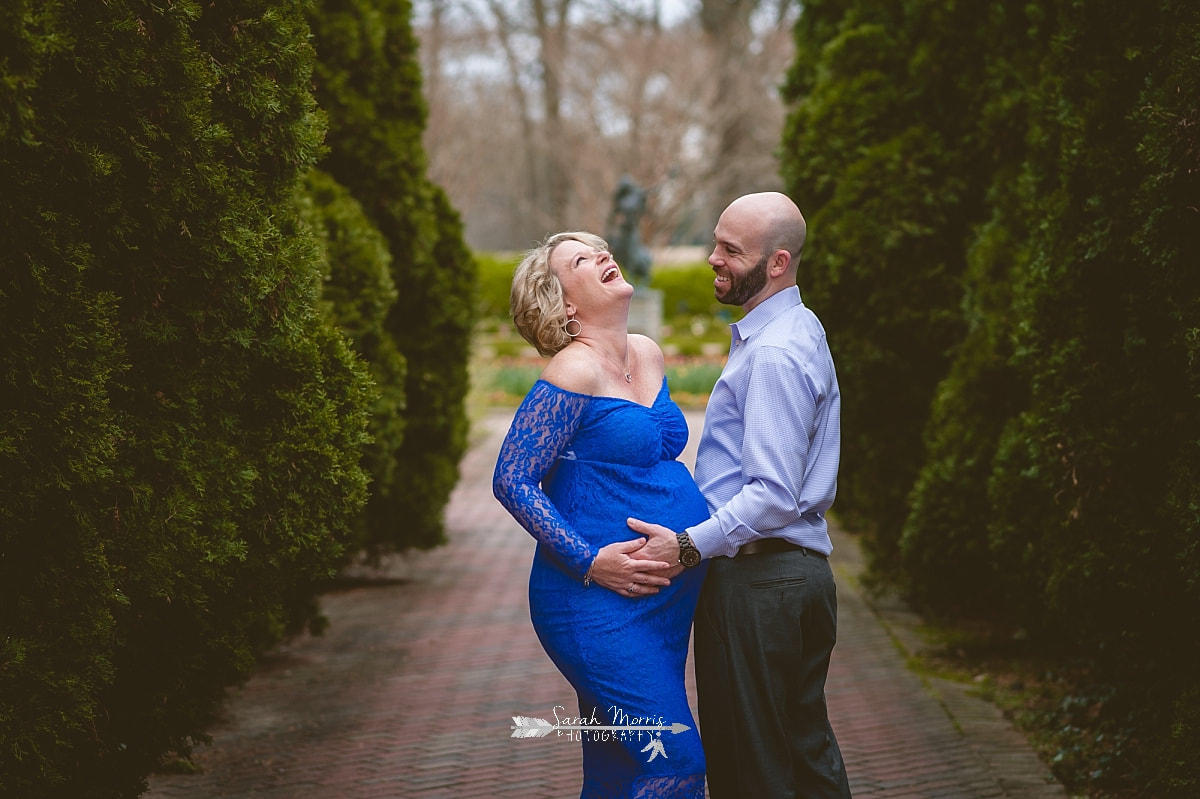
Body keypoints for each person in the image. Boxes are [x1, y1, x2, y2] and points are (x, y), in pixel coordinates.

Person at [627, 192, 853, 798]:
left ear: (777, 263)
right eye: (717, 242)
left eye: (731, 250)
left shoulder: (775, 352)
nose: (712, 258)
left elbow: (772, 496)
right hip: (790, 579)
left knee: (752, 771)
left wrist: (685, 546)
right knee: (804, 757)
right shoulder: (795, 328)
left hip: (759, 585)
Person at [493, 231, 710, 798]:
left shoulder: (647, 351)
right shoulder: (573, 371)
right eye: (582, 260)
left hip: (662, 603)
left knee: (618, 772)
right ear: (564, 303)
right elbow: (512, 478)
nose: (604, 257)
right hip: (594, 606)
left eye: (601, 249)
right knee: (677, 761)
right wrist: (589, 561)